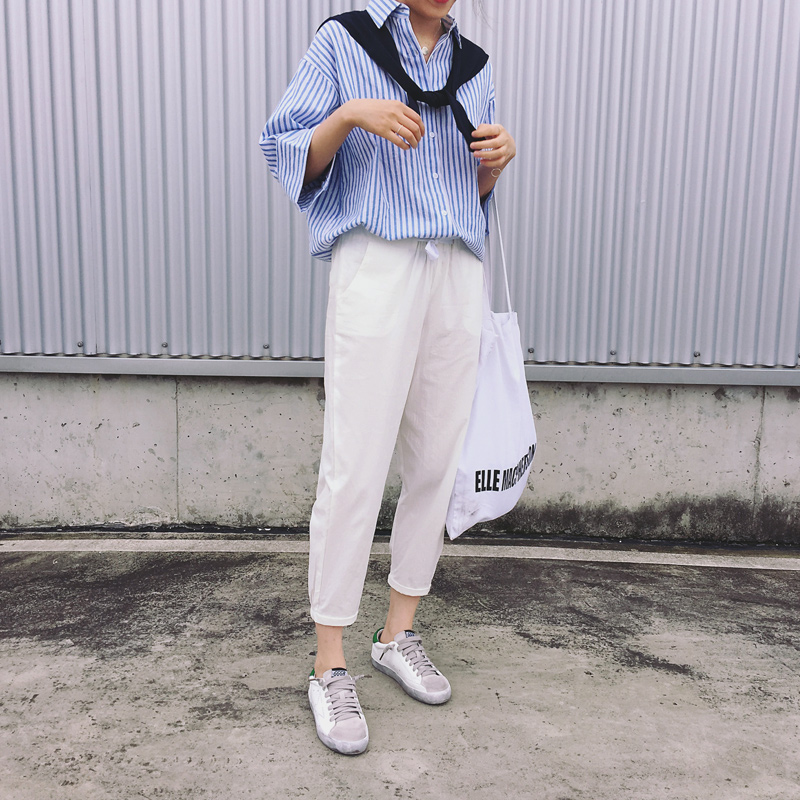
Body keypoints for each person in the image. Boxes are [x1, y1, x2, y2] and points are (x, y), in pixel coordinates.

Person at [259, 0, 515, 755]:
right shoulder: (346, 41)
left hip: (456, 266)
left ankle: (397, 632)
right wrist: (350, 116)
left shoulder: (472, 64)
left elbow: (473, 192)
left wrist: (493, 166)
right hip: (377, 259)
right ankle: (328, 663)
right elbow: (286, 149)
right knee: (356, 462)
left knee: (436, 459)